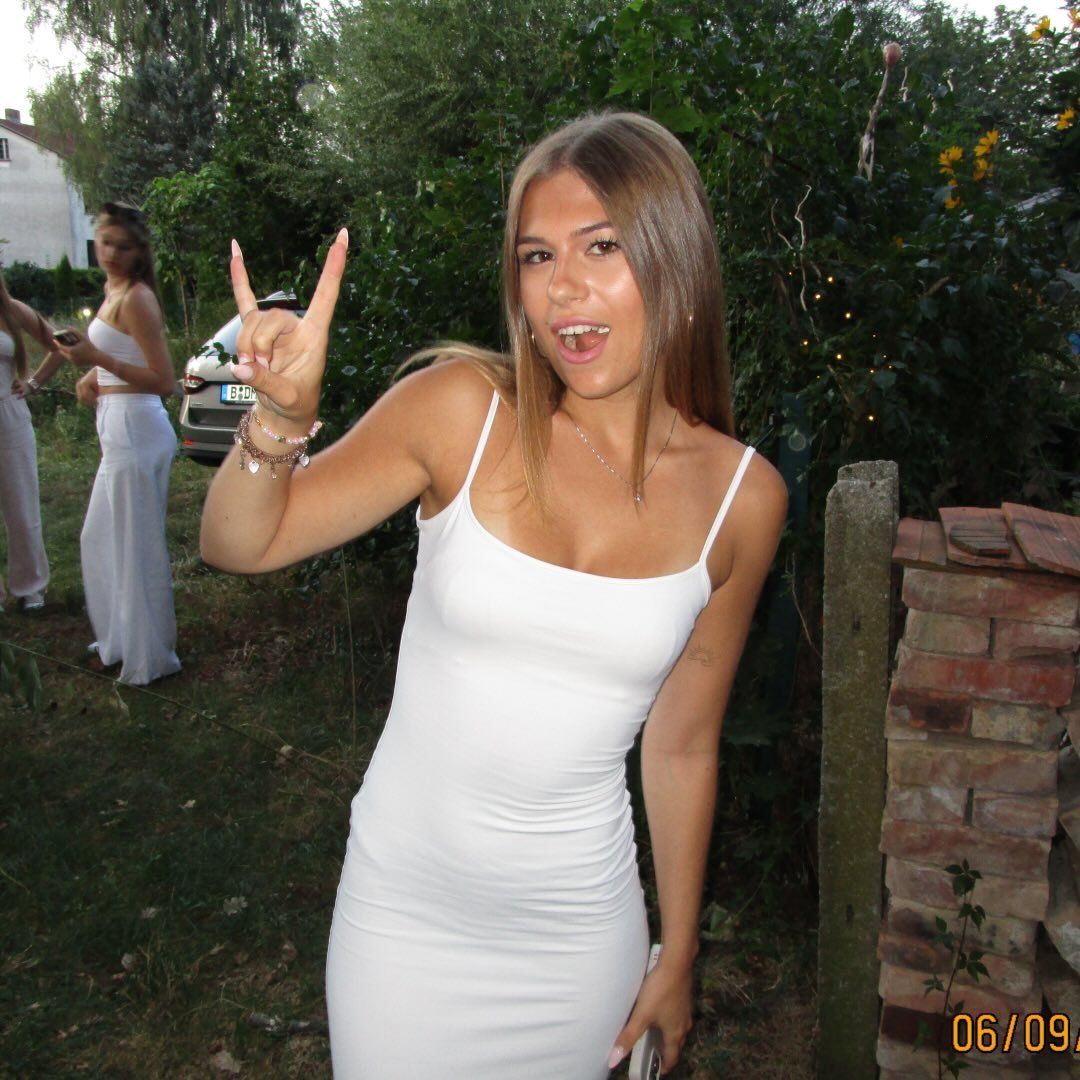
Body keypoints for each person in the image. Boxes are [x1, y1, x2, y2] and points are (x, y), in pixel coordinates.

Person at [200, 112, 787, 1078]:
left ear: (677, 259)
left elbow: (682, 743)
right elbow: (238, 543)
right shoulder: (463, 413)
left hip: (579, 942)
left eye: (602, 246)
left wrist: (678, 950)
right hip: (404, 926)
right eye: (537, 256)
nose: (563, 288)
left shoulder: (743, 499)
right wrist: (277, 418)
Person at [54, 202, 181, 685]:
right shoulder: (113, 291)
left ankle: (148, 658)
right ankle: (120, 641)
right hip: (117, 426)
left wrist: (97, 359)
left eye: (123, 247)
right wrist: (93, 374)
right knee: (100, 538)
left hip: (137, 429)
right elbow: (121, 354)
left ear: (139, 252)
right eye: (105, 242)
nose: (110, 254)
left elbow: (163, 381)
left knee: (134, 547)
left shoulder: (137, 299)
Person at [0, 268, 66, 613]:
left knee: (22, 506)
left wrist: (33, 382)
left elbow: (60, 345)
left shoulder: (11, 309)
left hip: (8, 414)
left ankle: (31, 587)